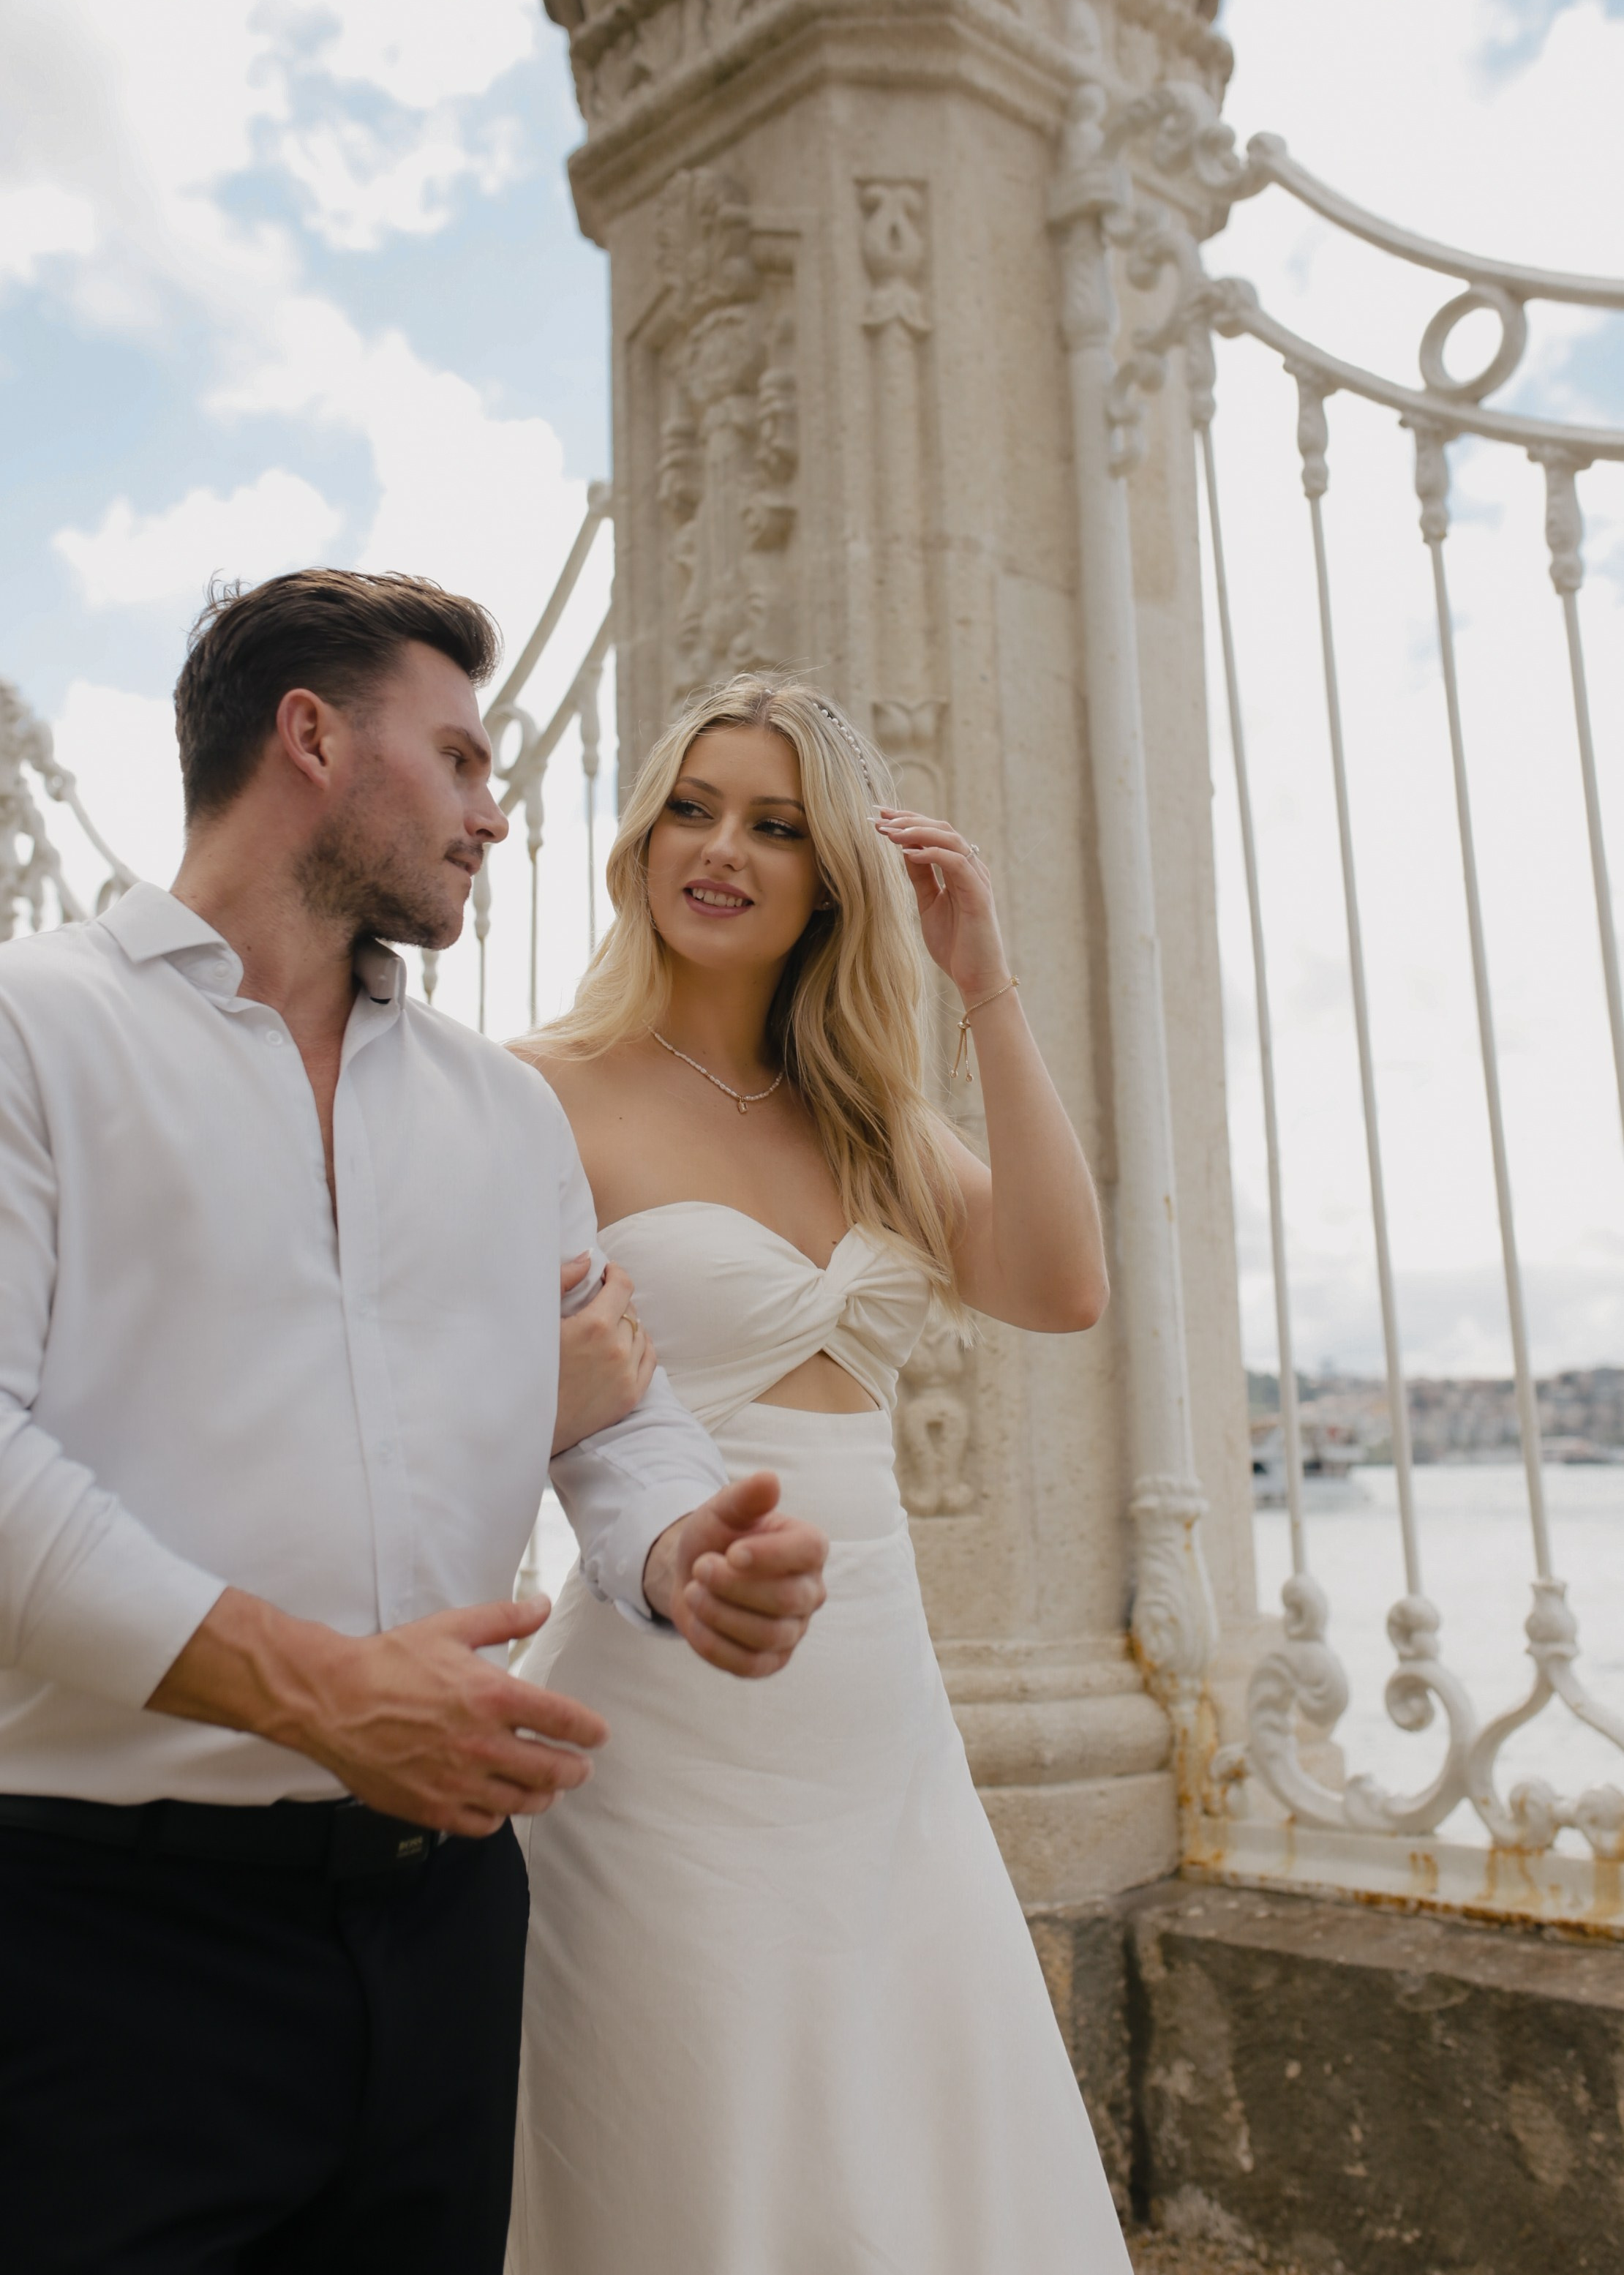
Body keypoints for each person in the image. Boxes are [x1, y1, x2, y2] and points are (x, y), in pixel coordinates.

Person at [0, 574, 828, 2275]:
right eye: (458, 758)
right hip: (96, 1932)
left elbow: (613, 1412)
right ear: (312, 739)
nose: (494, 809)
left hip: (450, 1918)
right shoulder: (33, 1030)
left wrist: (684, 1547)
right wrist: (318, 1691)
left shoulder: (503, 1109)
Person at [505, 675, 1133, 2274]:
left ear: (833, 879)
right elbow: (463, 1396)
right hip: (658, 1721)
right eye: (693, 810)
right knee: (694, 2145)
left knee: (906, 2140)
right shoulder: (538, 1096)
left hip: (878, 1721)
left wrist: (986, 985)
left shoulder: (868, 1124)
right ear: (642, 841)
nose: (722, 849)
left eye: (777, 826)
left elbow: (1064, 1285)